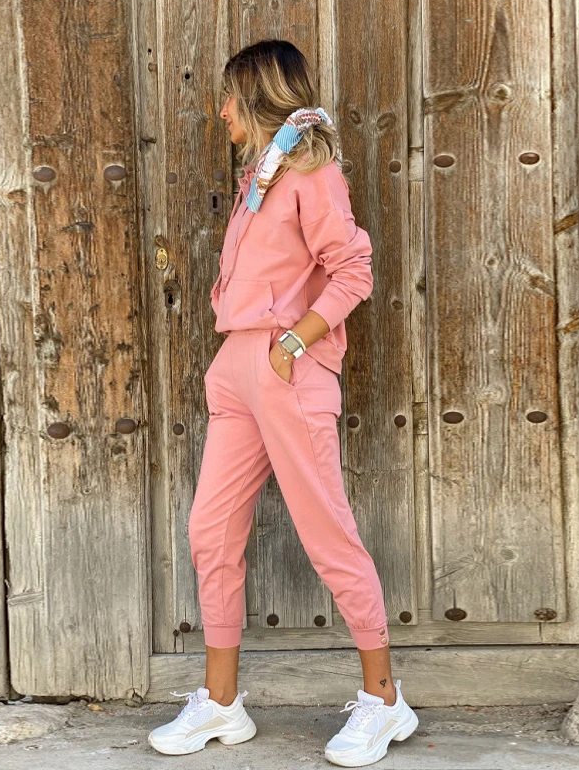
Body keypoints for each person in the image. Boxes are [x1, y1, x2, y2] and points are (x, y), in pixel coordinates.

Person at [148, 39, 418, 768]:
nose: (222, 110)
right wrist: (245, 356)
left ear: (258, 96)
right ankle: (222, 703)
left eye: (230, 97)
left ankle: (384, 701)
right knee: (210, 531)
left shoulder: (313, 173)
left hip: (287, 368)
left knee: (328, 534)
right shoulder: (261, 177)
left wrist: (294, 342)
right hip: (237, 368)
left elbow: (353, 269)